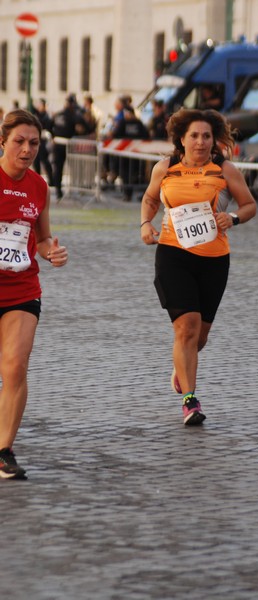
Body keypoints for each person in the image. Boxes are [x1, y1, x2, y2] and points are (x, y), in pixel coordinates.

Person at [140, 108, 257, 425]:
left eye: (207, 136)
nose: (201, 142)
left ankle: (182, 364)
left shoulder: (225, 170)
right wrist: (144, 225)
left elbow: (249, 206)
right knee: (186, 327)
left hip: (214, 260)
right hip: (173, 255)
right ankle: (190, 400)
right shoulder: (165, 168)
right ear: (181, 138)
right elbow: (150, 199)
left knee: (199, 337)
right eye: (194, 135)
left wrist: (231, 218)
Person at [0, 109, 68, 479]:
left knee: (15, 366)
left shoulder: (39, 186)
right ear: (3, 142)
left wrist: (51, 251)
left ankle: (4, 450)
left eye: (34, 143)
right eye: (19, 142)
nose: (27, 150)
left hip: (21, 288)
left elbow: (41, 238)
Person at [51, 94, 87, 199]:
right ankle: (68, 189)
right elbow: (84, 127)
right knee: (72, 167)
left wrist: (53, 137)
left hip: (58, 144)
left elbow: (49, 126)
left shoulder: (58, 114)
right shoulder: (74, 115)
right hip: (69, 145)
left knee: (58, 168)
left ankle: (59, 190)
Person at [33, 98, 54, 186]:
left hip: (44, 142)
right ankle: (37, 180)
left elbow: (49, 128)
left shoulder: (47, 116)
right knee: (36, 162)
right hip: (36, 142)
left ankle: (51, 180)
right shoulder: (36, 115)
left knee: (45, 162)